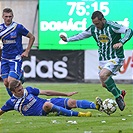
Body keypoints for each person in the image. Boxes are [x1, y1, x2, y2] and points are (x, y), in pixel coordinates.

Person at [60, 11, 133, 111]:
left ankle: (118, 97)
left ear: (103, 19)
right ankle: (120, 93)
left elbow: (129, 31)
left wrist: (121, 42)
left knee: (103, 75)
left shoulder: (112, 26)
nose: (96, 26)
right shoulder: (93, 28)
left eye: (98, 23)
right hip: (103, 60)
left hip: (116, 57)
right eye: (94, 24)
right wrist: (67, 39)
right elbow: (81, 35)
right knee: (104, 84)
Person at [0, 80, 103, 117]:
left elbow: (46, 92)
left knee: (71, 102)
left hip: (48, 102)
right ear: (13, 92)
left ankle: (96, 106)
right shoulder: (11, 103)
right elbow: (1, 111)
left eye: (21, 88)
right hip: (41, 111)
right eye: (19, 90)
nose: (22, 91)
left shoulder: (28, 90)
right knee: (47, 105)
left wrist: (66, 94)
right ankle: (79, 115)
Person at [0, 8, 35, 97]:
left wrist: (27, 51)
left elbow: (32, 37)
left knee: (11, 81)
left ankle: (18, 100)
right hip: (4, 58)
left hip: (15, 58)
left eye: (10, 16)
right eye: (6, 16)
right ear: (3, 17)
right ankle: (14, 100)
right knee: (6, 83)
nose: (8, 18)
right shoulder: (0, 28)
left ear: (13, 16)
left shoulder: (18, 27)